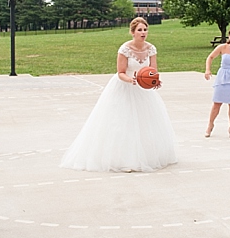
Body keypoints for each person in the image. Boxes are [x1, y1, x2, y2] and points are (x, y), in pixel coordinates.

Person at [60, 17, 177, 172]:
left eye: (145, 29)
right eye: (140, 30)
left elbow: (152, 70)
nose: (143, 33)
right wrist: (132, 80)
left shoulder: (151, 49)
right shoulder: (125, 49)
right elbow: (120, 72)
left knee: (144, 122)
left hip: (142, 90)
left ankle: (145, 156)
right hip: (124, 87)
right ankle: (123, 160)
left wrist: (155, 80)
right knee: (123, 122)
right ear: (133, 32)